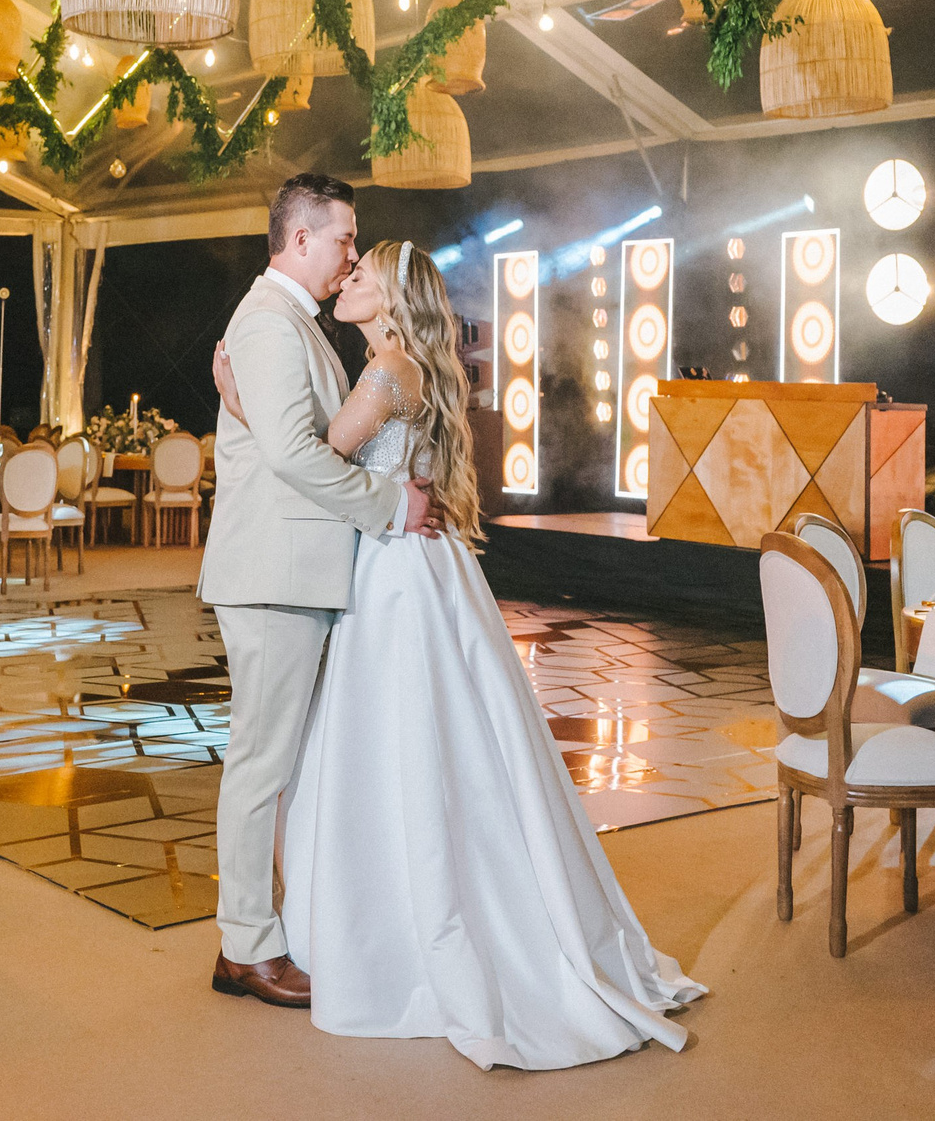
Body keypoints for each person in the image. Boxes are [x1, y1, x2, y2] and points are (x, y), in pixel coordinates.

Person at [216, 237, 701, 1070]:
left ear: (392, 299)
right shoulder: (404, 366)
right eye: (348, 257)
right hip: (418, 569)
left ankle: (397, 925)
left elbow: (317, 454)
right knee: (438, 743)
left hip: (394, 579)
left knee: (393, 743)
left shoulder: (385, 372)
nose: (348, 275)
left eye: (362, 272)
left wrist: (236, 392)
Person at [201, 175, 437, 1010]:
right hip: (272, 573)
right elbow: (301, 457)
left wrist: (234, 400)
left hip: (295, 569)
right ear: (299, 239)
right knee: (260, 763)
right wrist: (389, 508)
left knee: (283, 762)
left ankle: (279, 928)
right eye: (344, 238)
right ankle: (247, 946)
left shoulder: (286, 323)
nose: (350, 254)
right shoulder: (268, 322)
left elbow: (292, 440)